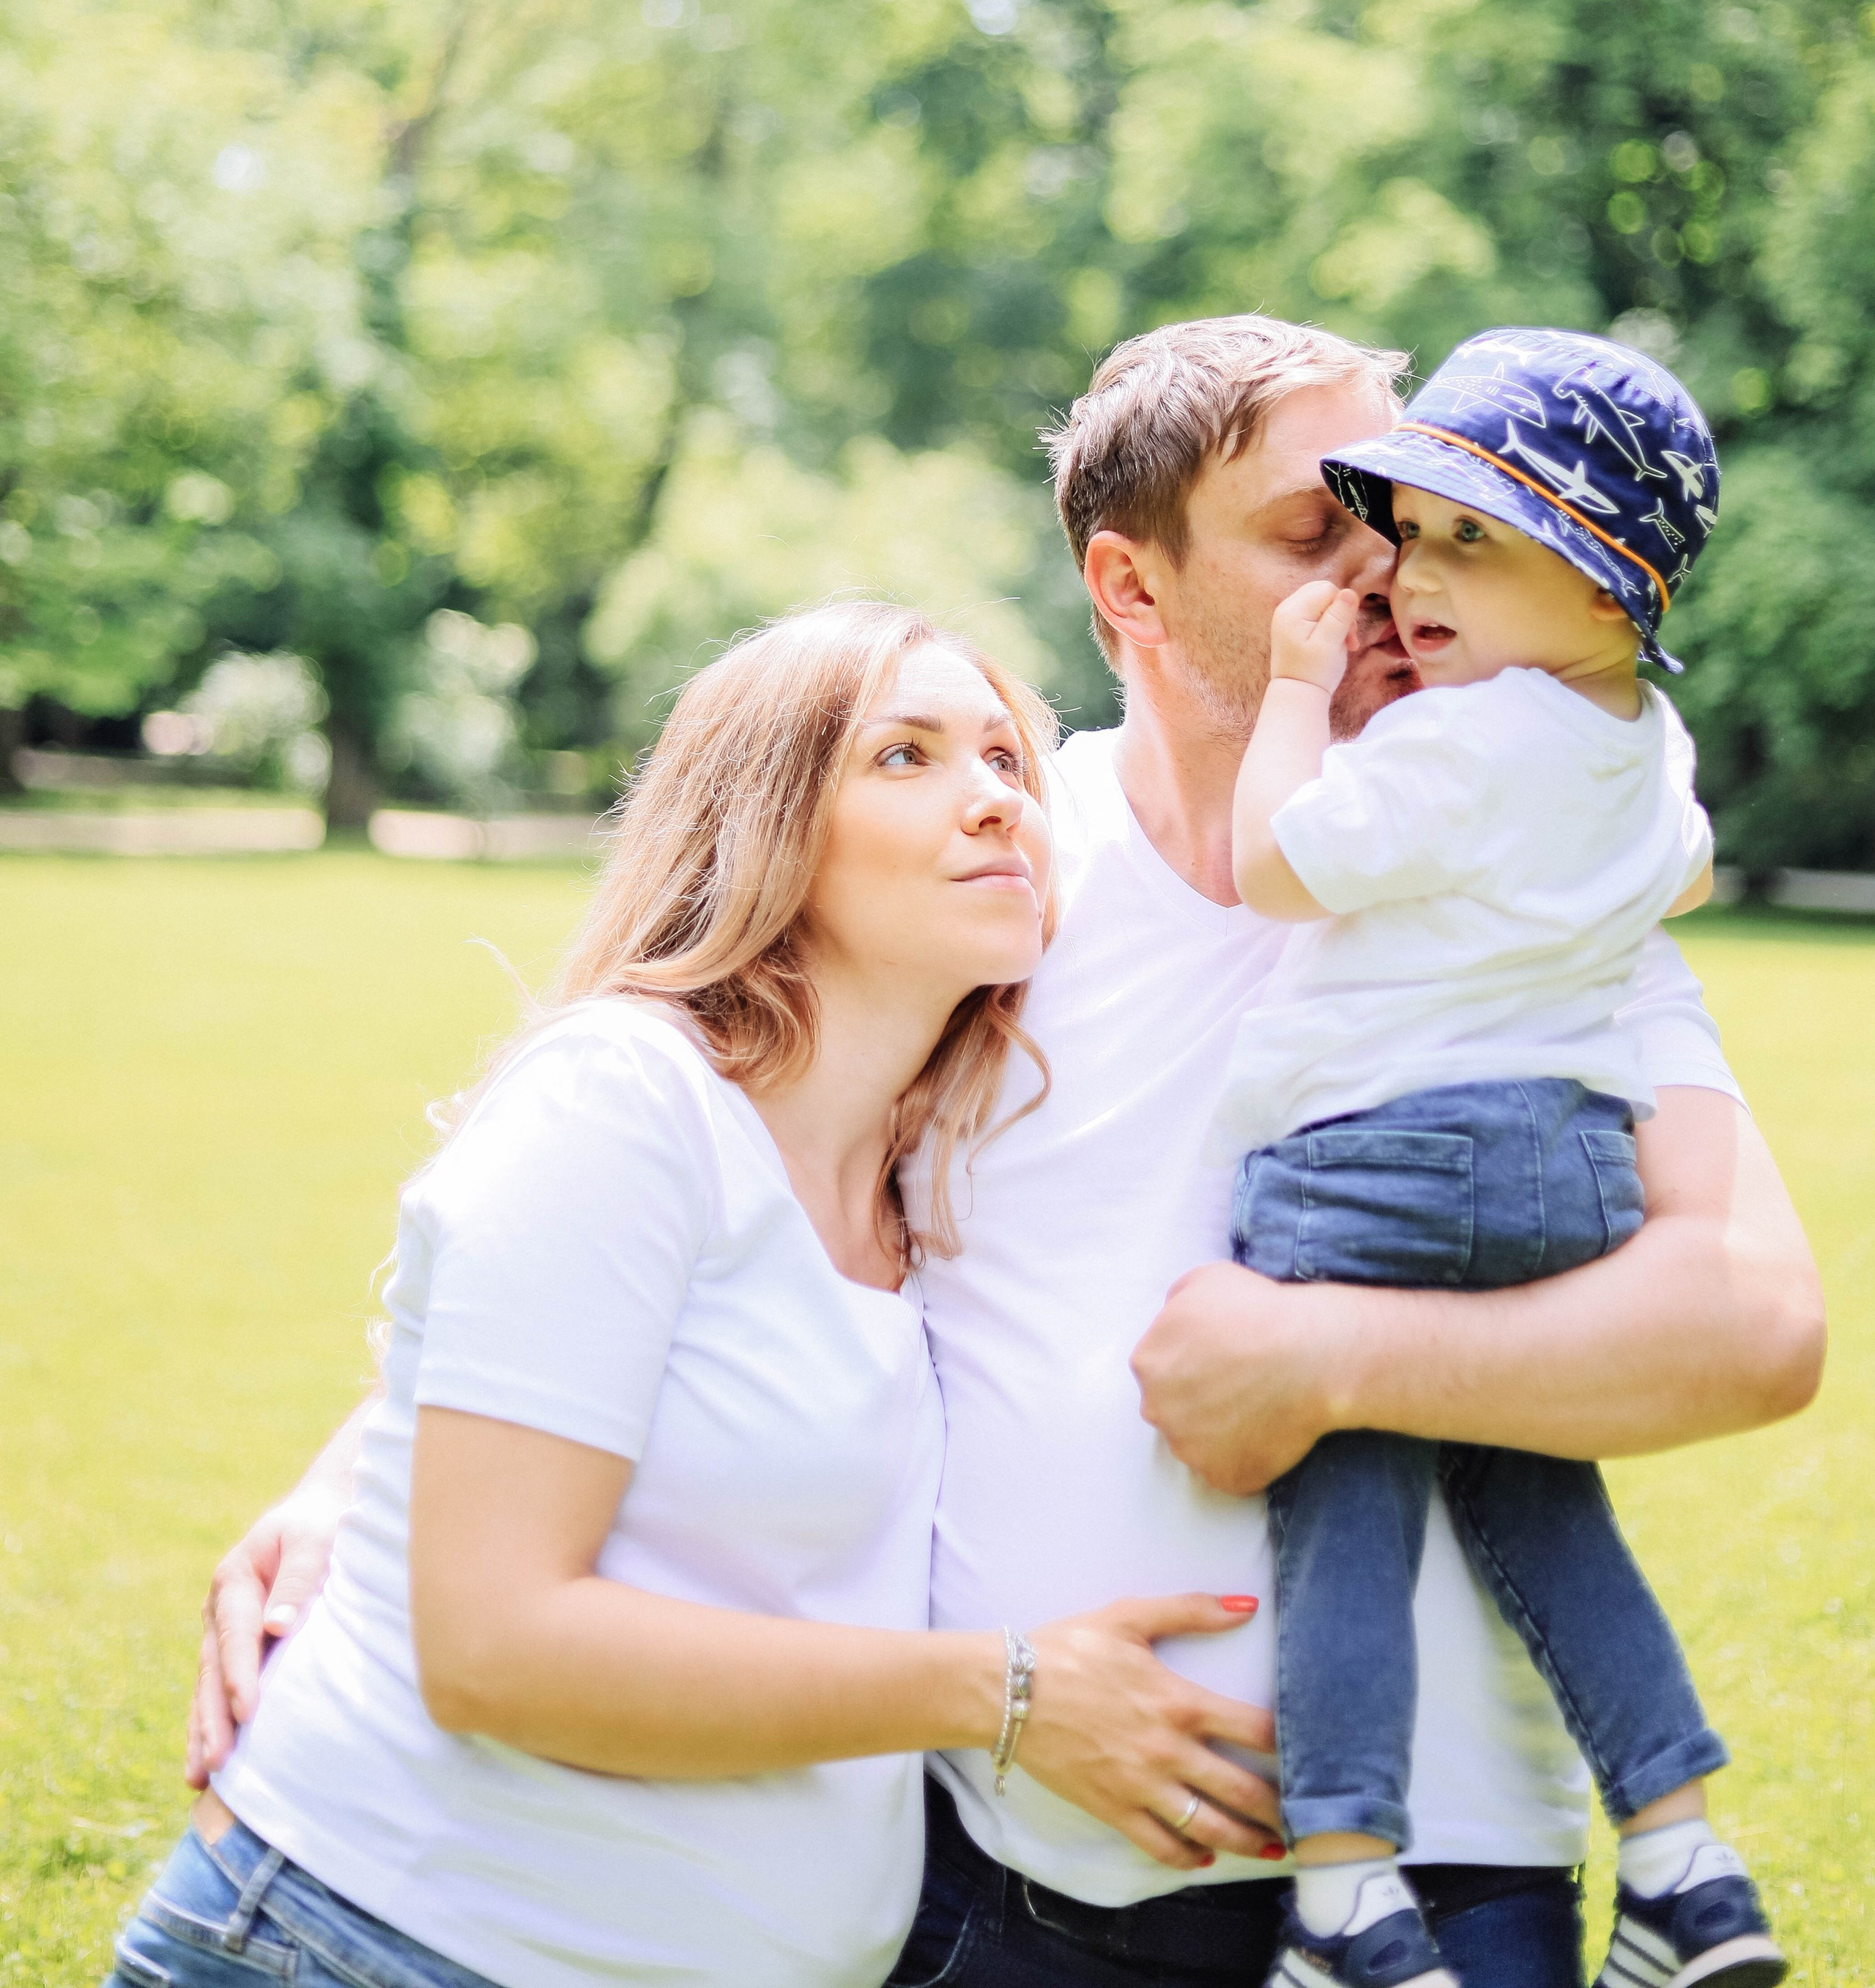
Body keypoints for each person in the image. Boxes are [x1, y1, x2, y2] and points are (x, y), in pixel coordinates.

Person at [190, 319, 1827, 1988]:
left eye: (1407, 522)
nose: (1388, 574)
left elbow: (1755, 1323)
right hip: (1009, 1881)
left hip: (1448, 1875)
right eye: (1314, 529)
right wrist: (359, 1477)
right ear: (1130, 588)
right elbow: (675, 1177)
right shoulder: (998, 871)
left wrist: (1321, 1357)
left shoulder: (1538, 889)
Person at [116, 602, 1285, 1988]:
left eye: (1004, 761)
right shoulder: (626, 1100)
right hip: (376, 1940)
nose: (993, 800)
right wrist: (1011, 1687)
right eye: (904, 756)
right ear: (765, 827)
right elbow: (495, 1649)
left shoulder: (920, 1182)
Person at [1219, 327, 1783, 1988]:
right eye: (1411, 532)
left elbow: (1275, 866)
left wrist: (1291, 696)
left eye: (1475, 538)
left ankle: (1343, 1889)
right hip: (1564, 1170)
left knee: (1341, 1501)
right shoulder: (1641, 744)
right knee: (1539, 1497)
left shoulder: (1461, 741)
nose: (1411, 579)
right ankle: (1681, 1859)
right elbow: (1682, 872)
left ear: (1610, 592)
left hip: (1381, 1162)